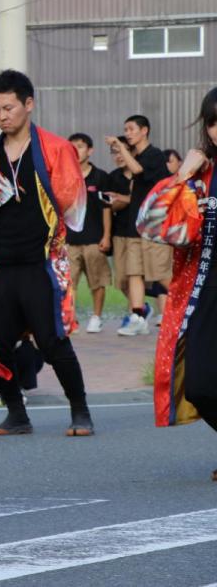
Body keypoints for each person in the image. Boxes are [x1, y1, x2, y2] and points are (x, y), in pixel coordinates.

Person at [0, 70, 94, 438]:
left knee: (53, 340)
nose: (1, 116)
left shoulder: (54, 147)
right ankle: (17, 414)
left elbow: (71, 204)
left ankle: (80, 411)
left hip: (38, 262)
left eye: (9, 108)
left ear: (28, 105)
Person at [136, 87, 217, 481]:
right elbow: (149, 223)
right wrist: (182, 176)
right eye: (214, 122)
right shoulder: (199, 174)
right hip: (205, 287)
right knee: (199, 384)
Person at [105, 115, 172, 336]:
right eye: (126, 129)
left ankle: (191, 303)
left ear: (145, 130)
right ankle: (137, 316)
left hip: (154, 226)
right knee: (134, 272)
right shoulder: (136, 156)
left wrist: (120, 147)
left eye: (131, 129)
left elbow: (137, 170)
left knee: (161, 273)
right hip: (136, 224)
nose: (128, 133)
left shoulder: (154, 155)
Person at [66, 133, 113, 333]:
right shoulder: (65, 175)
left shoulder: (101, 176)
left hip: (94, 238)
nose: (76, 150)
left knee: (97, 280)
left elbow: (106, 209)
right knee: (68, 282)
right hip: (70, 240)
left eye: (80, 146)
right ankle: (70, 318)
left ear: (90, 150)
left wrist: (106, 236)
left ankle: (96, 317)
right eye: (72, 146)